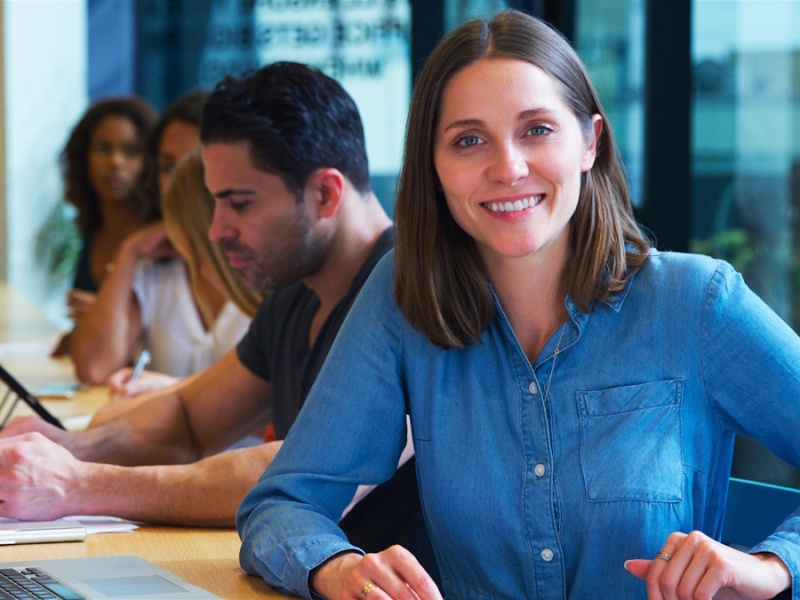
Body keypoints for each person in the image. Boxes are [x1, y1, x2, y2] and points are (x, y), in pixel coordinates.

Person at [235, 11, 800, 600]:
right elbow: (282, 504)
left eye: (537, 130)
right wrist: (337, 568)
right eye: (469, 140)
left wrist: (772, 566)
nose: (507, 168)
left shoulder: (696, 302)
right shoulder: (405, 295)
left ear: (590, 142)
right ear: (434, 165)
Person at [0, 63, 434, 577]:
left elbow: (294, 472)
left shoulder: (411, 298)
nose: (216, 229)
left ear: (325, 194)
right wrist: (70, 449)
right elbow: (189, 418)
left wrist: (79, 483)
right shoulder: (296, 294)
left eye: (238, 204)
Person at [71, 148, 259, 397]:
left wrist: (167, 389)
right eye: (167, 166)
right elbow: (94, 367)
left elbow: (270, 408)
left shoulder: (269, 283)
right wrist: (129, 251)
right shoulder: (157, 272)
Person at [51, 97, 159, 356]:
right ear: (83, 157)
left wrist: (107, 318)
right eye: (103, 148)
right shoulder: (91, 232)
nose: (115, 162)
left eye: (131, 151)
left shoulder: (158, 241)